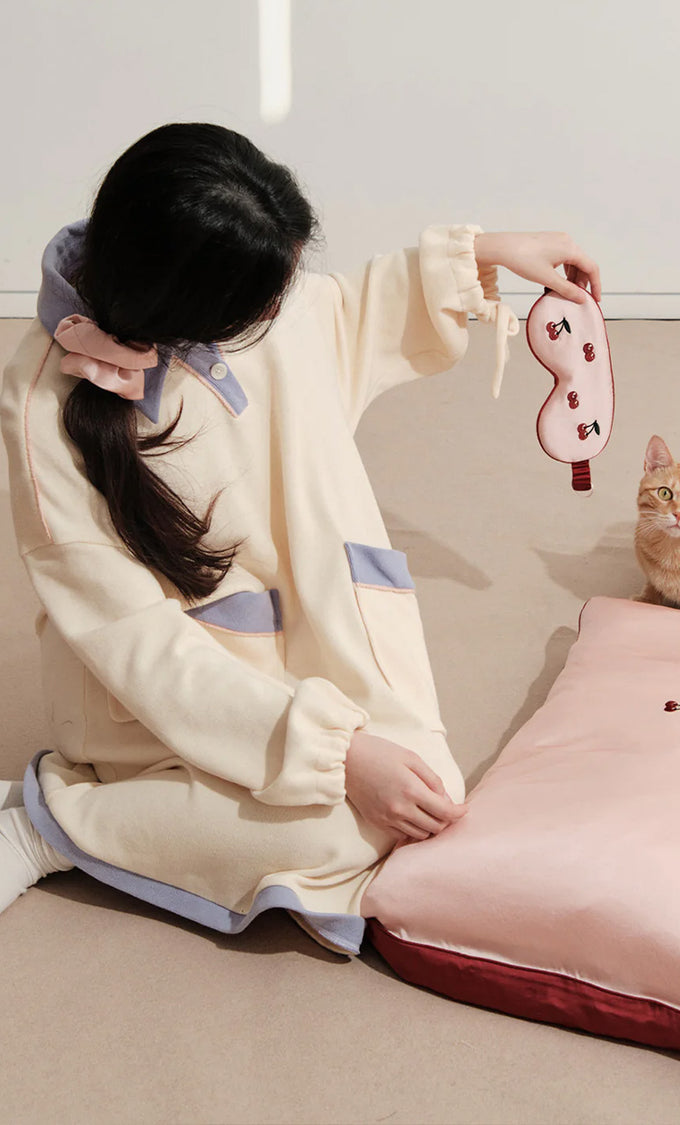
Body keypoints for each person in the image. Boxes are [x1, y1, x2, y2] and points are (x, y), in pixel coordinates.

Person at [0, 122, 601, 953]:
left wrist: (483, 258)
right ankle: (56, 819)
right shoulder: (41, 411)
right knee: (343, 834)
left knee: (420, 792)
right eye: (267, 297)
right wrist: (334, 753)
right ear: (190, 306)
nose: (289, 303)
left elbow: (347, 314)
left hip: (321, 637)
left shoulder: (253, 301)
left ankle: (271, 781)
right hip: (159, 705)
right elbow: (135, 643)